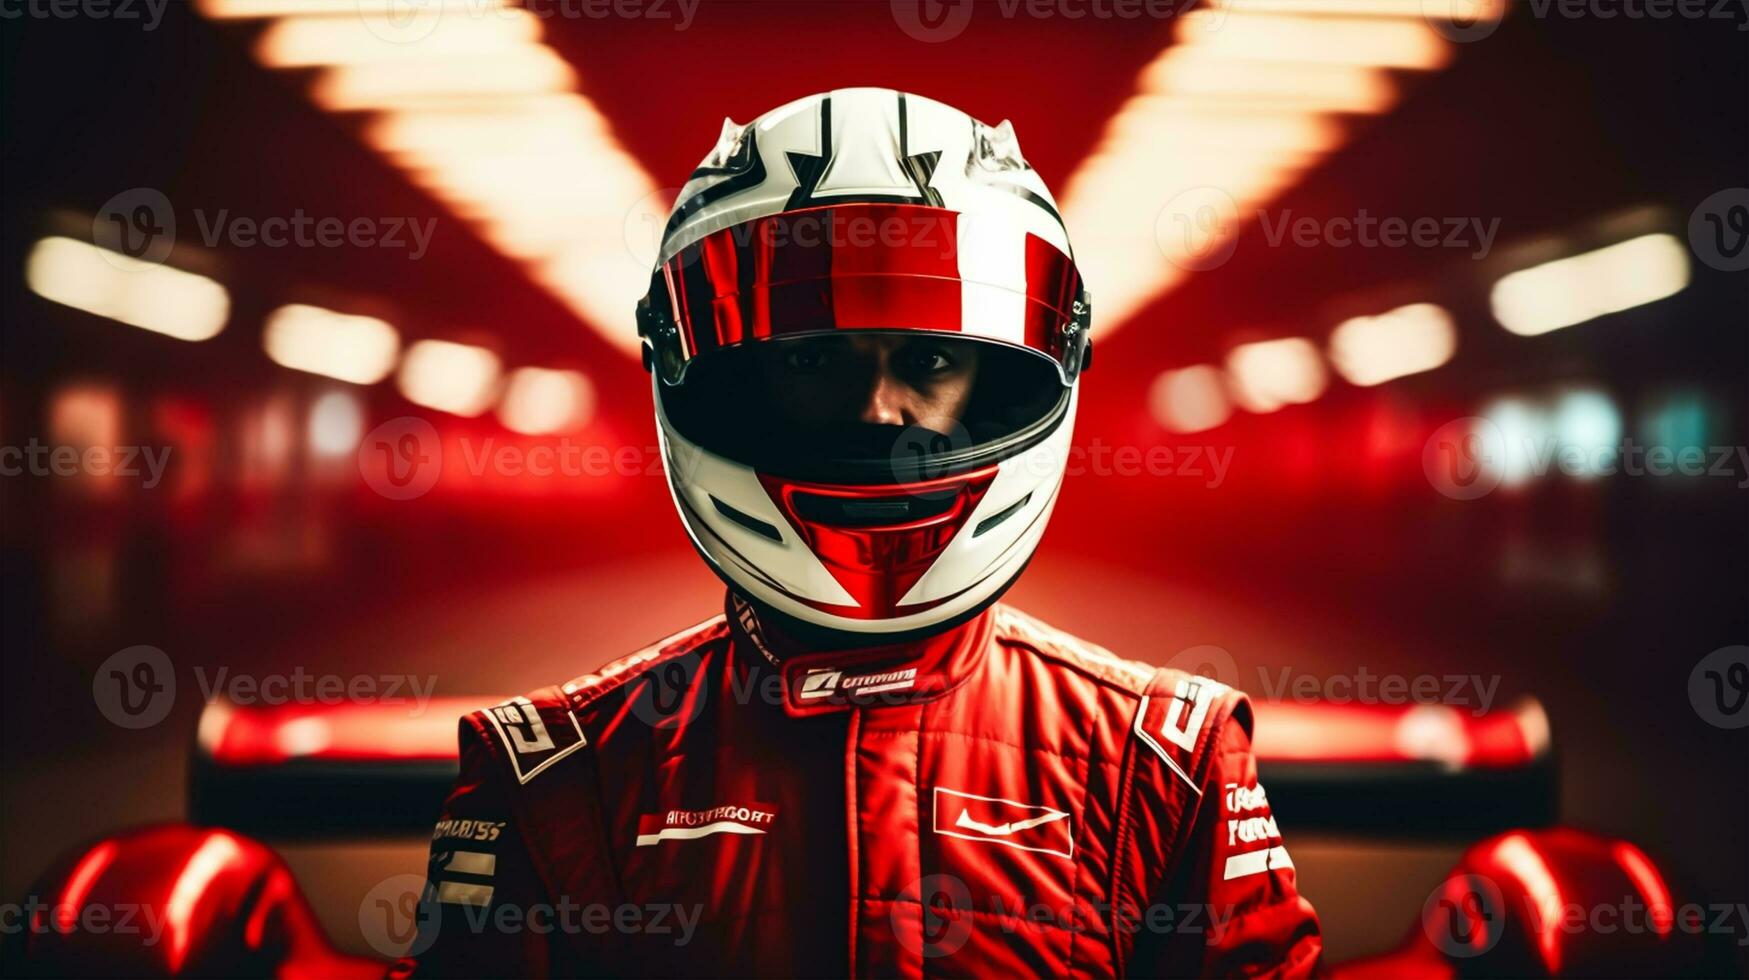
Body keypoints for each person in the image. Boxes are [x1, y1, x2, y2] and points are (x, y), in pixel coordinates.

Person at [394, 88, 1321, 978]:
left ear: (1008, 377)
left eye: (927, 358)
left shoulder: (1164, 760)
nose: (878, 414)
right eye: (811, 359)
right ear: (721, 379)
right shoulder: (558, 770)